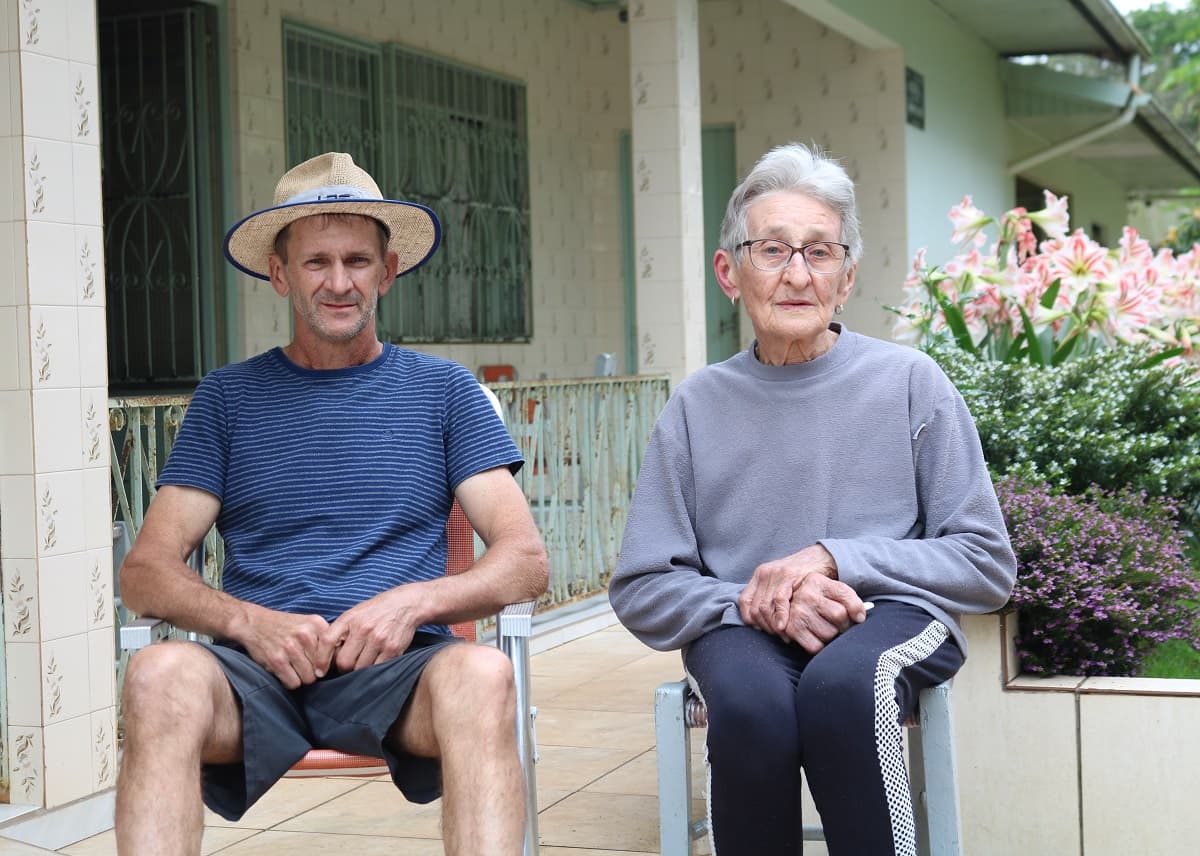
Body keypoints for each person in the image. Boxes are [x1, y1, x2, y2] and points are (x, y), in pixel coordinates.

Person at [116, 152, 548, 856]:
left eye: (358, 261)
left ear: (389, 270)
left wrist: (411, 604)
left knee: (483, 673)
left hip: (399, 677)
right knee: (158, 674)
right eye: (317, 263)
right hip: (255, 677)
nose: (340, 282)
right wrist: (248, 623)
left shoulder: (446, 394)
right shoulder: (228, 400)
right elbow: (145, 572)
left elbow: (525, 561)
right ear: (281, 274)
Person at [608, 143, 1016, 855]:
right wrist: (748, 600)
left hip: (888, 618)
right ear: (728, 272)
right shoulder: (696, 407)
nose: (797, 274)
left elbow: (986, 564)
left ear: (848, 275)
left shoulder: (912, 384)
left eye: (820, 252)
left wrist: (835, 559)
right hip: (741, 625)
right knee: (748, 704)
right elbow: (644, 586)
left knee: (844, 689)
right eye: (772, 250)